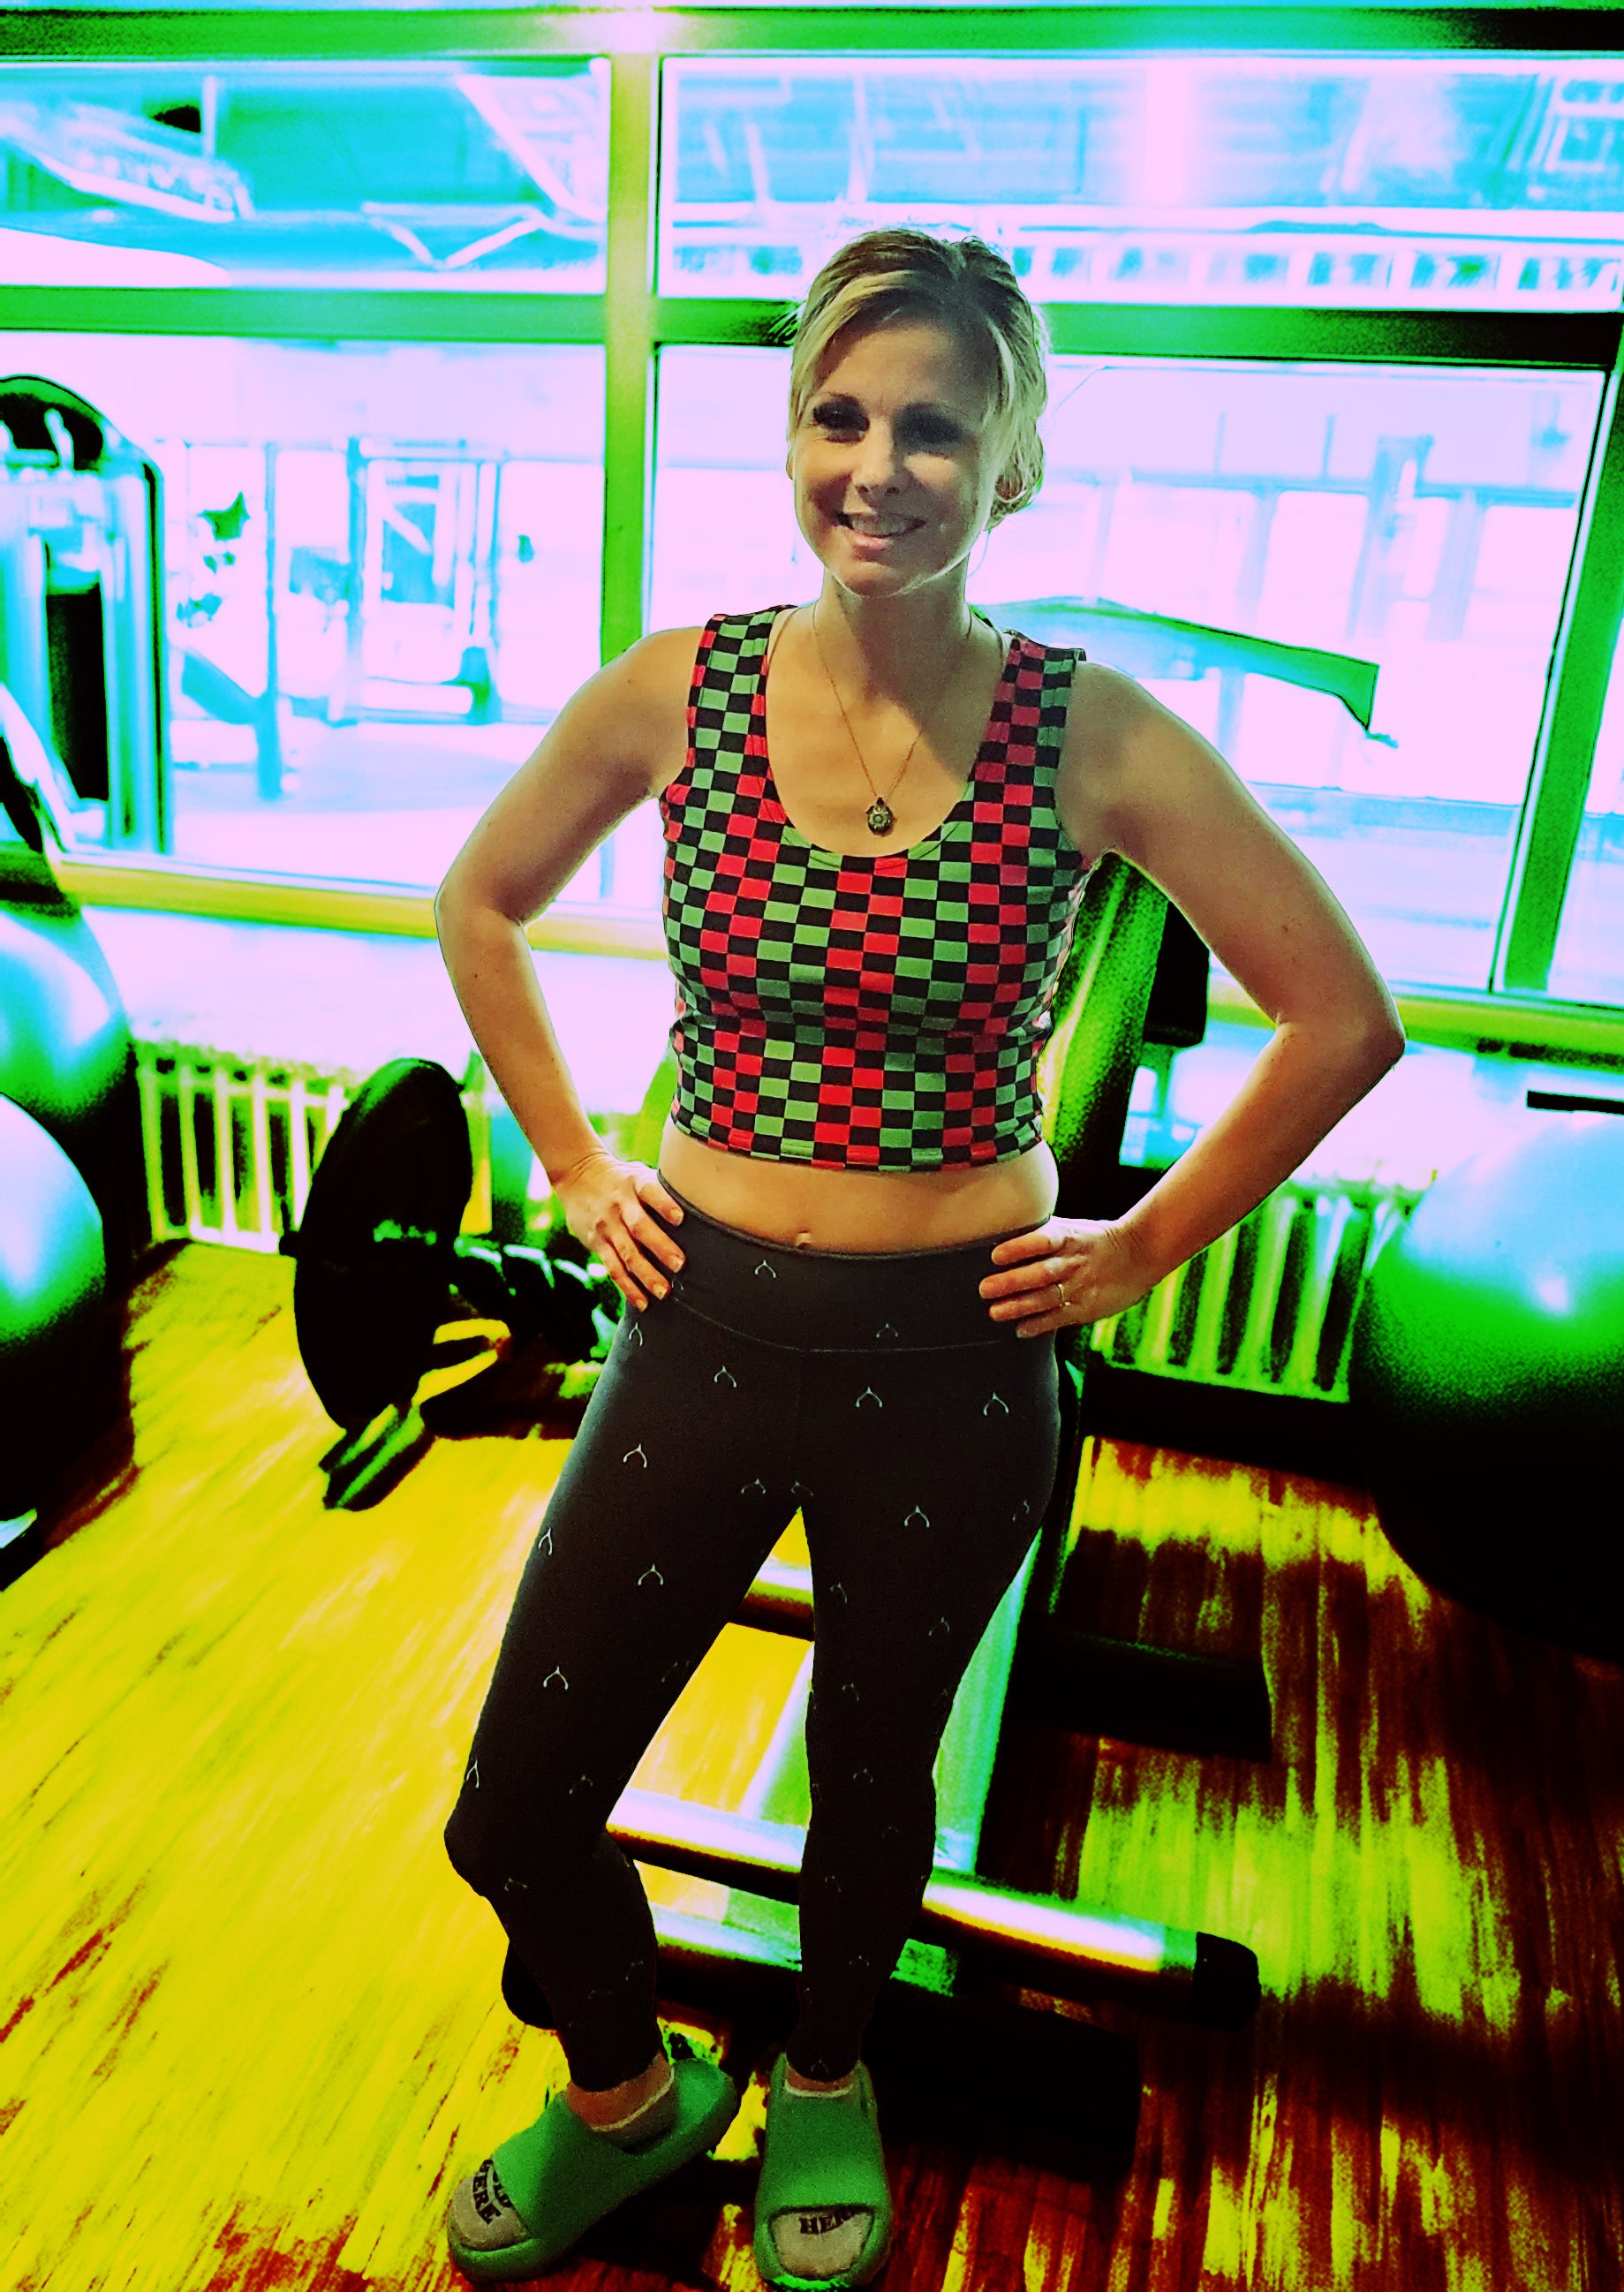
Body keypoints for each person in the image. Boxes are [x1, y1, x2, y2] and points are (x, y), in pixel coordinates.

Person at [432, 225, 1405, 2288]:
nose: (877, 466)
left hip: (952, 1357)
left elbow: (1342, 1014)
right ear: (793, 435)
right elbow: (479, 897)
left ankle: (825, 2072)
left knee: (875, 1790)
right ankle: (624, 2085)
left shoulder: (1087, 729)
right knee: (513, 1804)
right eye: (839, 415)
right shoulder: (679, 688)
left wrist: (1137, 1247)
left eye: (935, 429)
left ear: (1013, 461)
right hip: (700, 1321)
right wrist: (573, 1161)